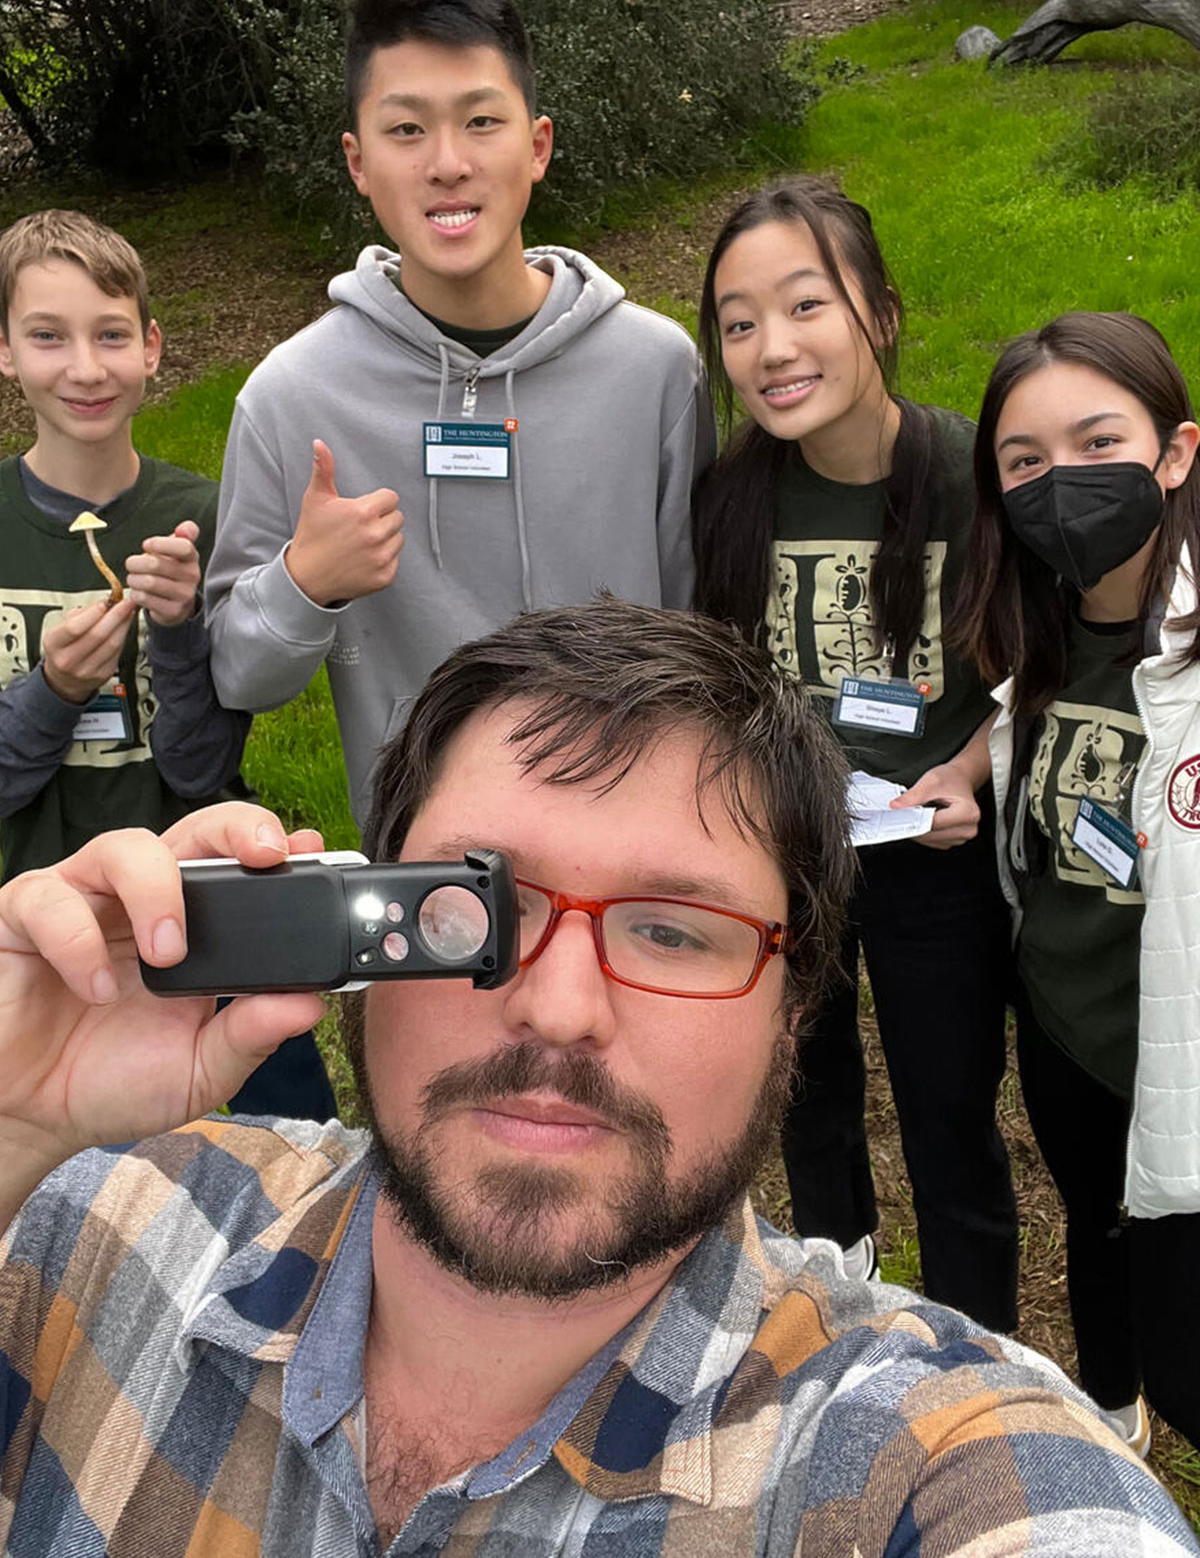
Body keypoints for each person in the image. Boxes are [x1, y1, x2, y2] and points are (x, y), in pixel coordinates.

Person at [1, 596, 1196, 1557]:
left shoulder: (925, 1464)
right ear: (351, 924)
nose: (560, 1009)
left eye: (674, 930)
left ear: (796, 1011)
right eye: (477, 910)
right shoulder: (82, 1222)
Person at [205, 0, 712, 828]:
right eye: (406, 131)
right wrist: (306, 581)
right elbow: (239, 674)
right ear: (358, 163)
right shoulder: (290, 397)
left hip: (629, 837)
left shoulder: (658, 370)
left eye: (481, 121)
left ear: (538, 145)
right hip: (424, 861)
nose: (447, 163)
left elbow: (704, 629)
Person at [692, 177, 1018, 1332]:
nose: (771, 347)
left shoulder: (974, 474)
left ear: (879, 311)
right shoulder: (730, 499)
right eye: (738, 322)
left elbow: (1048, 665)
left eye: (804, 306)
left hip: (935, 854)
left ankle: (979, 1349)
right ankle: (839, 1313)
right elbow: (722, 674)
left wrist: (969, 772)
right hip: (791, 851)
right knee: (808, 1099)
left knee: (947, 1113)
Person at [0, 208, 336, 1124]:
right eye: (47, 336)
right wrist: (56, 689)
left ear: (151, 347)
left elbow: (198, 766)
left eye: (111, 335)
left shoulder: (204, 513)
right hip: (31, 933)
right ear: (6, 351)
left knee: (277, 1151)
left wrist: (181, 626)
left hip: (206, 917)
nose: (84, 367)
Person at [954, 311, 1200, 1457]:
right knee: (1093, 1231)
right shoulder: (1030, 632)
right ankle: (1111, 1400)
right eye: (1026, 462)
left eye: (1100, 444)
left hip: (1176, 1044)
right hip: (1061, 1022)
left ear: (1177, 452)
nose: (1064, 483)